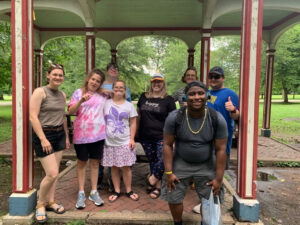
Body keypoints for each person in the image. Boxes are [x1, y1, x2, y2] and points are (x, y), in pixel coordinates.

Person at [161, 81, 228, 225]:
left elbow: (221, 150)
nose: (196, 97)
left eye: (200, 93)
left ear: (207, 96)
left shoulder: (216, 118)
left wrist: (219, 178)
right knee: (174, 196)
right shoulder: (175, 117)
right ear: (185, 97)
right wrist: (168, 173)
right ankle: (177, 223)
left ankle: (207, 222)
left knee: (210, 197)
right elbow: (167, 144)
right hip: (181, 162)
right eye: (192, 94)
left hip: (207, 163)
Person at [30, 63, 70, 223]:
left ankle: (51, 201)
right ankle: (40, 204)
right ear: (48, 75)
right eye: (55, 74)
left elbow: (62, 117)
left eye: (60, 75)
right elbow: (33, 117)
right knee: (52, 173)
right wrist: (43, 138)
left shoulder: (62, 95)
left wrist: (66, 136)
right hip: (44, 135)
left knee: (55, 175)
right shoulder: (40, 92)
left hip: (59, 133)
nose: (58, 77)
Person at [68, 69, 107, 209]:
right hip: (81, 135)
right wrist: (81, 101)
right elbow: (70, 111)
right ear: (88, 78)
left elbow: (116, 93)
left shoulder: (103, 95)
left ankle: (94, 191)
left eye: (98, 81)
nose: (95, 82)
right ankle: (81, 193)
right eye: (93, 79)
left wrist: (107, 90)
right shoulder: (78, 92)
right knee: (82, 163)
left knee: (95, 163)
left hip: (98, 134)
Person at [137, 73, 176, 199]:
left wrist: (173, 137)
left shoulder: (168, 100)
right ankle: (156, 185)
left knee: (163, 159)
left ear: (163, 83)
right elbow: (138, 115)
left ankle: (153, 179)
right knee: (152, 160)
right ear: (151, 83)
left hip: (162, 136)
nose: (156, 84)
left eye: (159, 82)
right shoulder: (144, 97)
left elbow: (173, 120)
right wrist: (135, 133)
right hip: (145, 135)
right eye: (154, 82)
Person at [102, 80, 139, 202]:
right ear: (112, 89)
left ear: (125, 90)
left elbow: (133, 122)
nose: (118, 89)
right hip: (109, 141)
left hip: (124, 141)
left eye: (121, 87)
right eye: (116, 87)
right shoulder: (106, 103)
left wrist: (132, 138)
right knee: (113, 167)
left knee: (126, 167)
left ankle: (128, 190)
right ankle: (117, 190)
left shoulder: (129, 106)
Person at [98, 62, 131, 191]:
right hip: (101, 123)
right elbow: (93, 91)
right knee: (101, 155)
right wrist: (107, 91)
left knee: (114, 156)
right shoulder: (101, 85)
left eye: (116, 69)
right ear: (107, 71)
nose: (113, 71)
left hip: (117, 124)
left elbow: (126, 104)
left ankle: (113, 182)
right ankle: (99, 180)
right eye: (111, 69)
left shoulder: (123, 87)